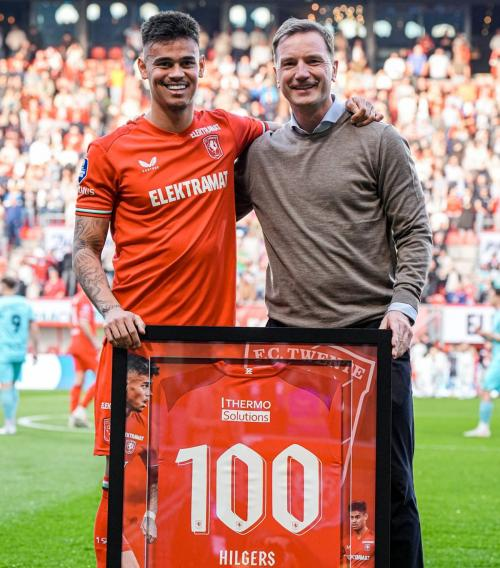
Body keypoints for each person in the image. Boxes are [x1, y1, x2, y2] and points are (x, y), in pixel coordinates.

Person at [72, 11, 379, 566]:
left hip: (209, 356)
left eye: (186, 62)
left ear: (202, 66)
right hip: (140, 348)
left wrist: (349, 109)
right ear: (141, 68)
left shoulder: (232, 132)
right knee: (129, 490)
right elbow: (84, 249)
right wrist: (111, 309)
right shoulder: (109, 150)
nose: (176, 73)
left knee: (196, 496)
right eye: (163, 63)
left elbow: (302, 129)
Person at [235, 18, 432, 567]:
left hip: (370, 340)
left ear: (335, 68)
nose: (302, 73)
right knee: (296, 492)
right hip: (290, 344)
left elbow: (415, 232)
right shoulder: (260, 154)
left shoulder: (379, 139)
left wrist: (403, 307)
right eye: (290, 63)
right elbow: (204, 213)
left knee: (390, 492)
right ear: (275, 74)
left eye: (313, 61)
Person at [94, 354, 159, 567]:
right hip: (109, 514)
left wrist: (150, 515)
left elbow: (155, 477)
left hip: (123, 516)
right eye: (144, 386)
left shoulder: (146, 426)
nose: (149, 394)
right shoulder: (108, 415)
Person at [0, 276, 39, 435]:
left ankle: (9, 424)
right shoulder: (25, 304)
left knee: (5, 386)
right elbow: (34, 327)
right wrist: (35, 349)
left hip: (4, 351)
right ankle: (12, 421)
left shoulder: (1, 304)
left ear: (4, 286)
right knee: (13, 385)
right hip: (20, 351)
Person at [464, 286, 500, 438]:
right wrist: (483, 334)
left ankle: (483, 428)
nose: (489, 297)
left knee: (486, 389)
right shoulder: (496, 314)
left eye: (491, 295)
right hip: (496, 356)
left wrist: (487, 334)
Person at [67, 285, 100, 428]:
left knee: (78, 379)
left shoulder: (75, 299)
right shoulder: (85, 300)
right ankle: (80, 409)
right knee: (101, 377)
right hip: (85, 344)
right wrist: (95, 342)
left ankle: (73, 414)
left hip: (75, 341)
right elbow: (84, 322)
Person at [342, 501, 375, 566]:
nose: (354, 521)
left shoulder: (373, 538)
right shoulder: (346, 541)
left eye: (357, 517)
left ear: (365, 516)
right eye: (352, 517)